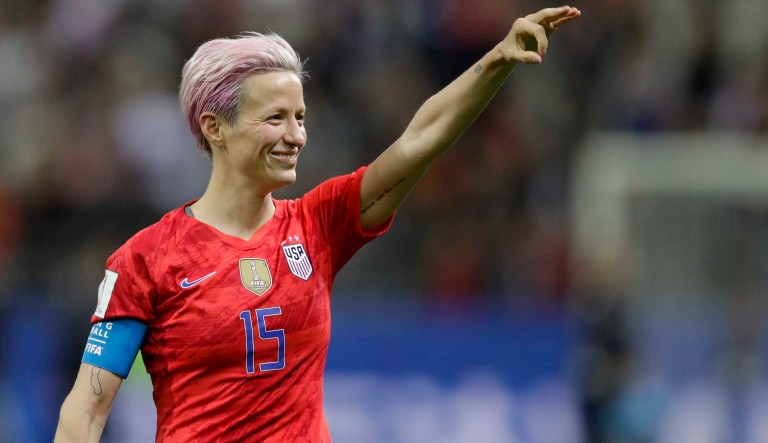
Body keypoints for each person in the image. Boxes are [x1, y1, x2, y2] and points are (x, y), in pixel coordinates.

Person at [54, 6, 581, 442]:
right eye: (275, 118)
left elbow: (420, 140)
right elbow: (86, 413)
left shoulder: (317, 224)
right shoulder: (147, 260)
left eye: (300, 117)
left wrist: (494, 62)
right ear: (215, 128)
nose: (295, 136)